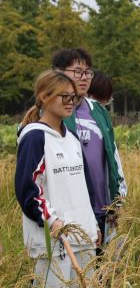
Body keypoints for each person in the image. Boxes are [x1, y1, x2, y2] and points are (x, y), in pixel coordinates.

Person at [15, 70, 100, 288]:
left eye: (73, 97)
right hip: (56, 244)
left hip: (83, 240)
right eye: (64, 96)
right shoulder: (34, 137)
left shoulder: (71, 139)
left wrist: (91, 225)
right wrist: (54, 222)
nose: (70, 102)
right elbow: (29, 191)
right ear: (44, 96)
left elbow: (84, 189)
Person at [52, 49, 126, 246]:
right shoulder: (51, 113)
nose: (84, 77)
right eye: (77, 71)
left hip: (102, 209)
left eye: (87, 72)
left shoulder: (98, 111)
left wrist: (117, 201)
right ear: (58, 73)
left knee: (101, 271)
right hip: (68, 215)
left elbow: (113, 158)